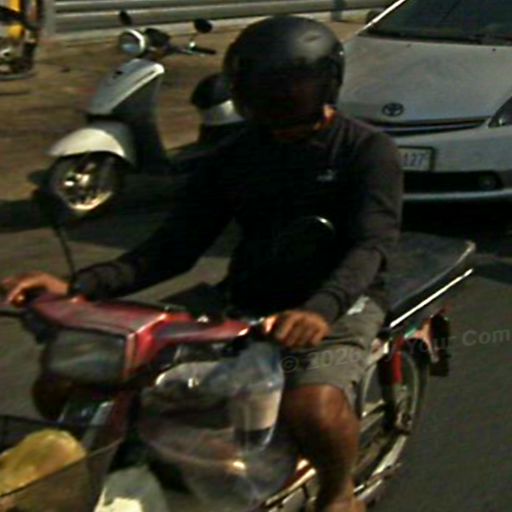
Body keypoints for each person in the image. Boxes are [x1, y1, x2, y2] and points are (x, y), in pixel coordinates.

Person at [1, 16, 402, 512]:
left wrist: (320, 310)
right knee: (70, 378)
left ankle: (339, 494)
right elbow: (174, 247)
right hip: (244, 295)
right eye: (260, 87)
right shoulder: (235, 155)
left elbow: (371, 246)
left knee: (312, 406)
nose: (275, 97)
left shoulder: (366, 150)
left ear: (325, 84)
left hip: (340, 302)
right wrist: (78, 286)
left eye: (290, 85)